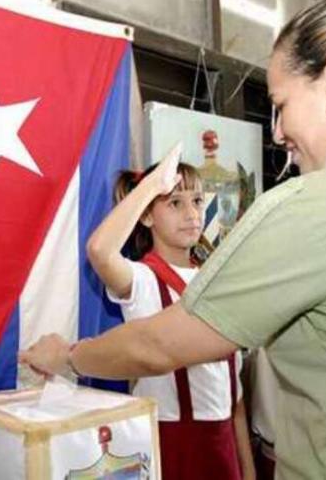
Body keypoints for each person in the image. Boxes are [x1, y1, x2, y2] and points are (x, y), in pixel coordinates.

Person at [20, 0, 326, 479]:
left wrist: (70, 355)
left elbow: (159, 346)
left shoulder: (310, 208)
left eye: (281, 104)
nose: (277, 131)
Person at [85, 149, 255, 480]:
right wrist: (150, 187)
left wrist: (247, 470)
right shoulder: (142, 279)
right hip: (169, 447)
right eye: (175, 203)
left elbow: (235, 401)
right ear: (147, 217)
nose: (191, 214)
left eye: (197, 201)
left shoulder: (216, 281)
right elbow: (99, 251)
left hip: (224, 450)